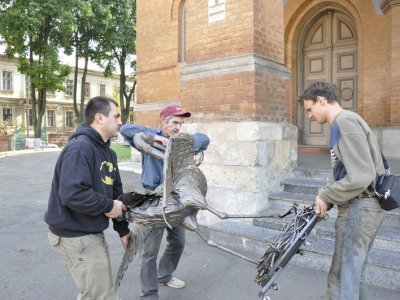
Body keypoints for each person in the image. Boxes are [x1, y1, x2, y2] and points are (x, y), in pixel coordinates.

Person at [299, 82, 386, 299]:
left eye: (309, 109)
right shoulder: (347, 120)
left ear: (321, 100)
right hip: (366, 206)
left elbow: (362, 175)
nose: (309, 116)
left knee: (340, 278)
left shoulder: (344, 121)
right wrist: (329, 199)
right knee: (354, 276)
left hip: (360, 207)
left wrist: (327, 195)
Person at [44, 96, 131, 300]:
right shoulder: (80, 148)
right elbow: (72, 194)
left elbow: (115, 192)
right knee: (97, 295)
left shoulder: (109, 153)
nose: (120, 121)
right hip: (74, 235)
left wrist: (122, 228)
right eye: (116, 116)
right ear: (100, 118)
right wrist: (109, 206)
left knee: (104, 292)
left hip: (90, 232)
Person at [120, 104, 210, 300]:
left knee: (178, 242)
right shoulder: (149, 139)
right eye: (175, 122)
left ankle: (164, 275)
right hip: (154, 201)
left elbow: (205, 139)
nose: (178, 127)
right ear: (163, 121)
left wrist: (181, 143)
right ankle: (149, 293)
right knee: (150, 251)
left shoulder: (181, 144)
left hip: (176, 201)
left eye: (181, 123)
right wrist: (154, 138)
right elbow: (125, 130)